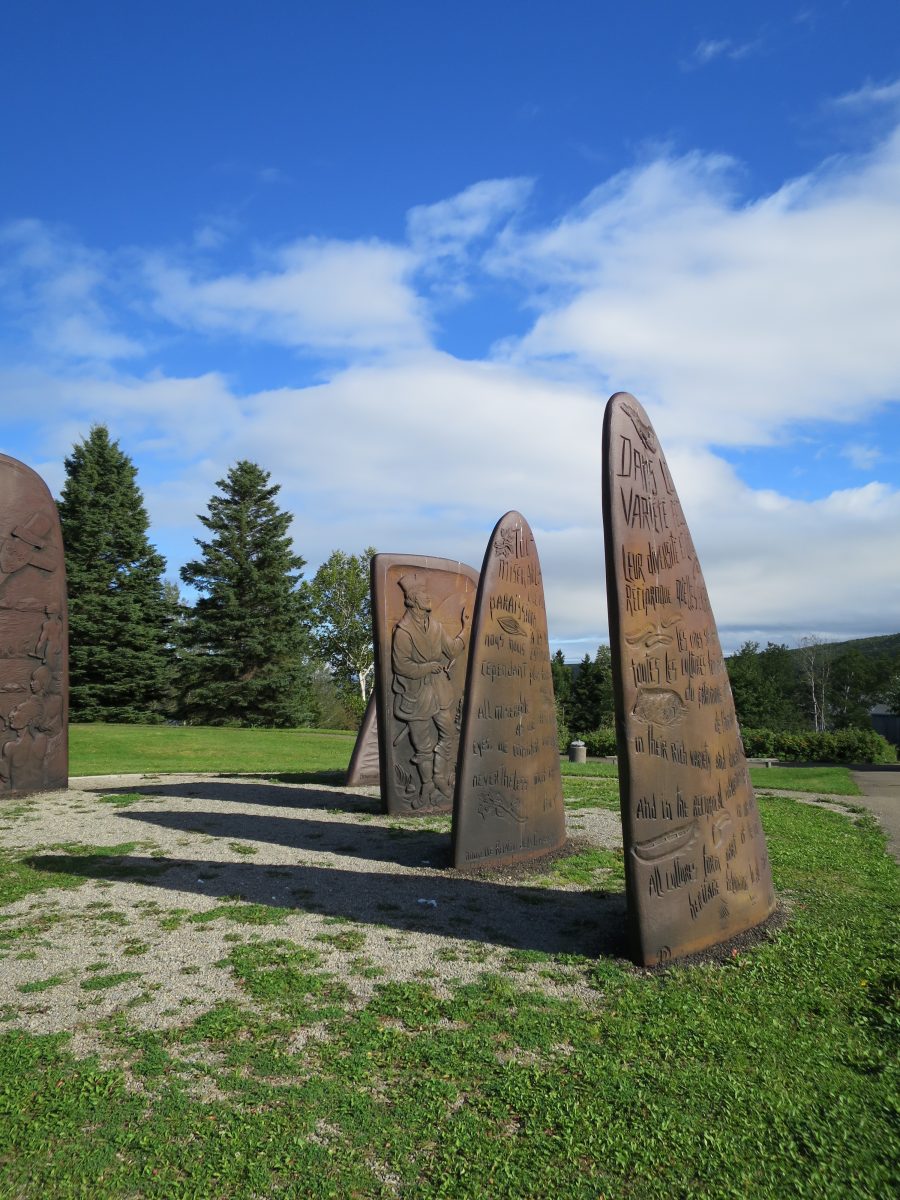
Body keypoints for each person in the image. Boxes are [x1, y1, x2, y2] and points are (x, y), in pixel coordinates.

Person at [391, 574, 469, 808]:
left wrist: (466, 628)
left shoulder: (435, 626)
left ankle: (439, 778)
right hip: (415, 696)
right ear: (413, 600)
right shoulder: (403, 632)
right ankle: (426, 785)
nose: (429, 598)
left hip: (439, 691)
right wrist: (428, 667)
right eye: (424, 595)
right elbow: (400, 665)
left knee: (449, 734)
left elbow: (453, 650)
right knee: (422, 746)